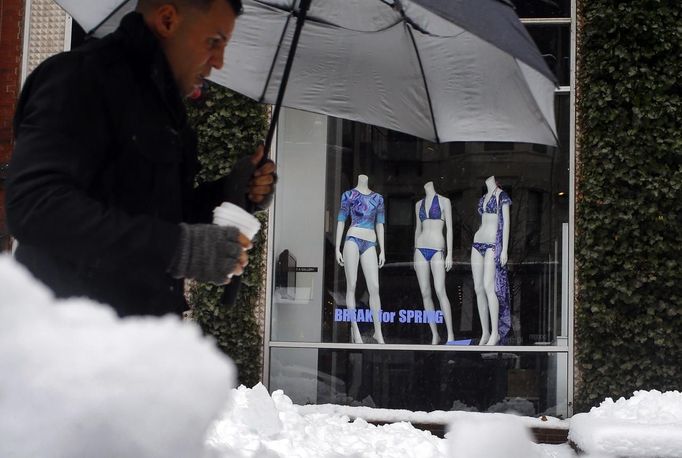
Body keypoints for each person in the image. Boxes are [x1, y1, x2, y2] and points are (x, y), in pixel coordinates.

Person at [5, 0, 276, 317]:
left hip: (137, 343)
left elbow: (161, 215)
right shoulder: (80, 78)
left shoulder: (166, 115)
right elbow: (35, 206)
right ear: (167, 19)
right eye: (213, 42)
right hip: (68, 340)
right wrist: (177, 248)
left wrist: (229, 190)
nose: (219, 61)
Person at [335, 174, 385, 344]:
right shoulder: (348, 195)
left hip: (371, 241)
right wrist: (337, 247)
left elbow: (380, 223)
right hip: (352, 238)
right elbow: (341, 220)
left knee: (374, 287)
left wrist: (382, 250)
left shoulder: (378, 198)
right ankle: (355, 330)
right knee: (352, 285)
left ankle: (378, 331)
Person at [471, 176, 512, 345]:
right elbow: (483, 222)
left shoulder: (501, 196)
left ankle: (495, 332)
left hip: (492, 244)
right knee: (478, 288)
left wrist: (504, 250)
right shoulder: (483, 198)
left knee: (489, 287)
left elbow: (506, 224)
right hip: (478, 242)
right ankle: (485, 332)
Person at [413, 181, 455, 345]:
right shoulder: (418, 204)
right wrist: (414, 251)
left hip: (438, 249)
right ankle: (434, 334)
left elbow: (450, 228)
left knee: (440, 290)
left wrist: (450, 254)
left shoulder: (445, 201)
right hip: (420, 249)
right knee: (425, 293)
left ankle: (450, 333)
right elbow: (418, 229)